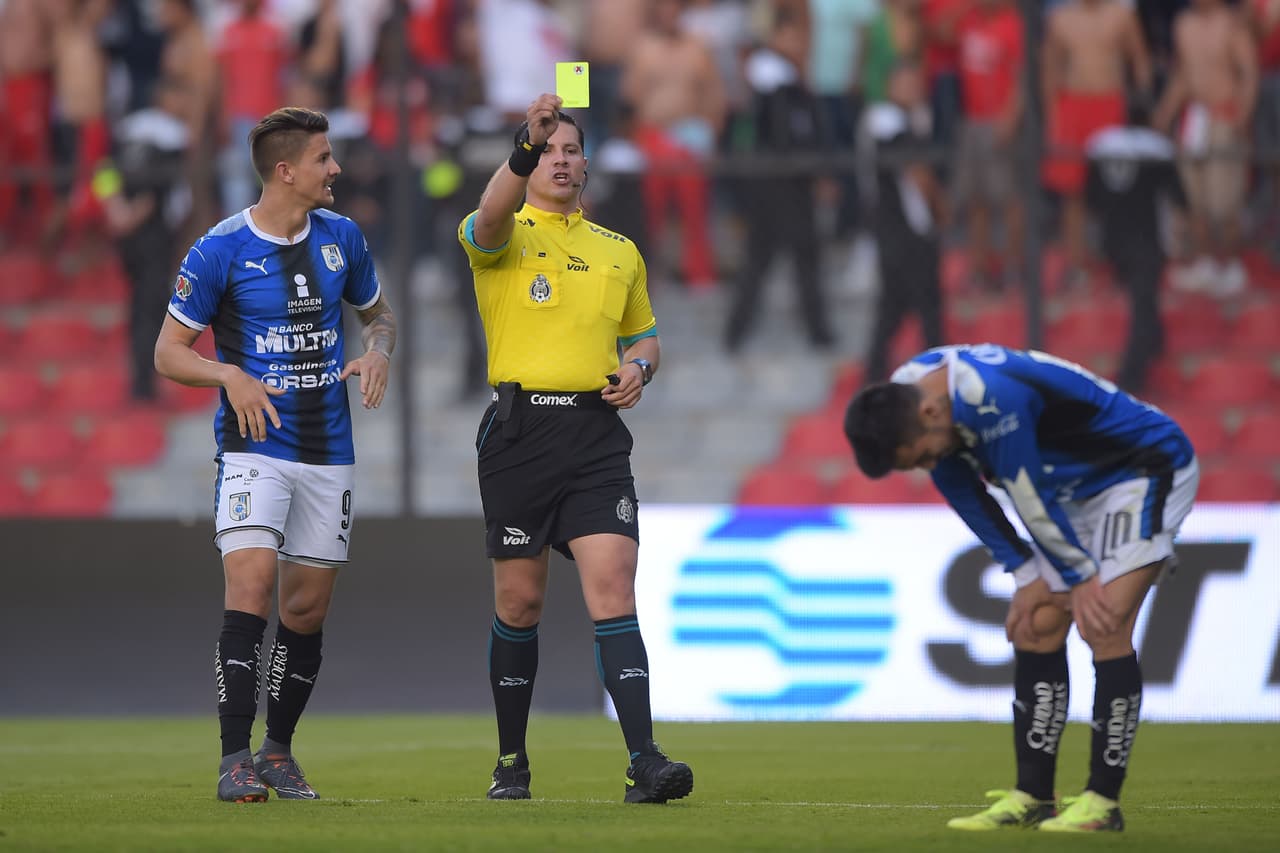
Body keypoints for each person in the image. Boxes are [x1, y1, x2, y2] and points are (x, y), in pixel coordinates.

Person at [844, 344, 1199, 832]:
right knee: (1036, 626)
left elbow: (1026, 492)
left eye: (924, 455)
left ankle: (1102, 802)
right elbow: (964, 491)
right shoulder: (916, 393)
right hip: (1069, 492)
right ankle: (1033, 797)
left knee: (1104, 622)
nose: (930, 464)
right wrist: (1026, 573)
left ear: (930, 412)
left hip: (1138, 470)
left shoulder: (991, 398)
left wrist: (1074, 576)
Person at [154, 107, 396, 803]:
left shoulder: (342, 238)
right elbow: (168, 352)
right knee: (251, 588)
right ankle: (234, 758)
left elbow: (379, 315)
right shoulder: (218, 249)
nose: (336, 169)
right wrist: (228, 374)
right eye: (325, 158)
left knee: (308, 606)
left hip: (329, 450)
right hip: (253, 446)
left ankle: (278, 752)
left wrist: (378, 350)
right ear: (286, 170)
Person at [456, 93, 693, 804]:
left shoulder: (620, 251)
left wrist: (640, 368)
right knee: (520, 601)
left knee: (614, 587)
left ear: (587, 163)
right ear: (529, 160)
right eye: (546, 149)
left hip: (595, 436)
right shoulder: (499, 231)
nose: (560, 158)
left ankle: (644, 760)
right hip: (520, 434)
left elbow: (644, 335)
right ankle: (511, 761)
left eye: (569, 149)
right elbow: (488, 215)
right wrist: (519, 145)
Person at [1041, 0, 1152, 290]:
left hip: (1109, 104)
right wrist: (1053, 117)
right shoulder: (1061, 19)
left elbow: (1140, 60)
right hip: (1072, 106)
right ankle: (1076, 265)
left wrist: (1142, 111)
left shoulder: (1121, 16)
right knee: (1072, 191)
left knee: (1117, 190)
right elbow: (1051, 68)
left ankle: (1119, 261)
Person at [1084, 99, 1187, 394]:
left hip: (1112, 240)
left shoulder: (1101, 144)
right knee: (1143, 303)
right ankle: (1132, 378)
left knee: (1144, 299)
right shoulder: (1158, 148)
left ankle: (1156, 343)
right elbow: (1180, 198)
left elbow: (1091, 198)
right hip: (1146, 239)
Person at [862, 60, 946, 382]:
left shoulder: (911, 118)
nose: (913, 89)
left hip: (898, 228)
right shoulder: (886, 119)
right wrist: (938, 207)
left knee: (895, 306)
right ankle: (938, 375)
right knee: (926, 306)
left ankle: (875, 372)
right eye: (906, 82)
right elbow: (916, 171)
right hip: (903, 227)